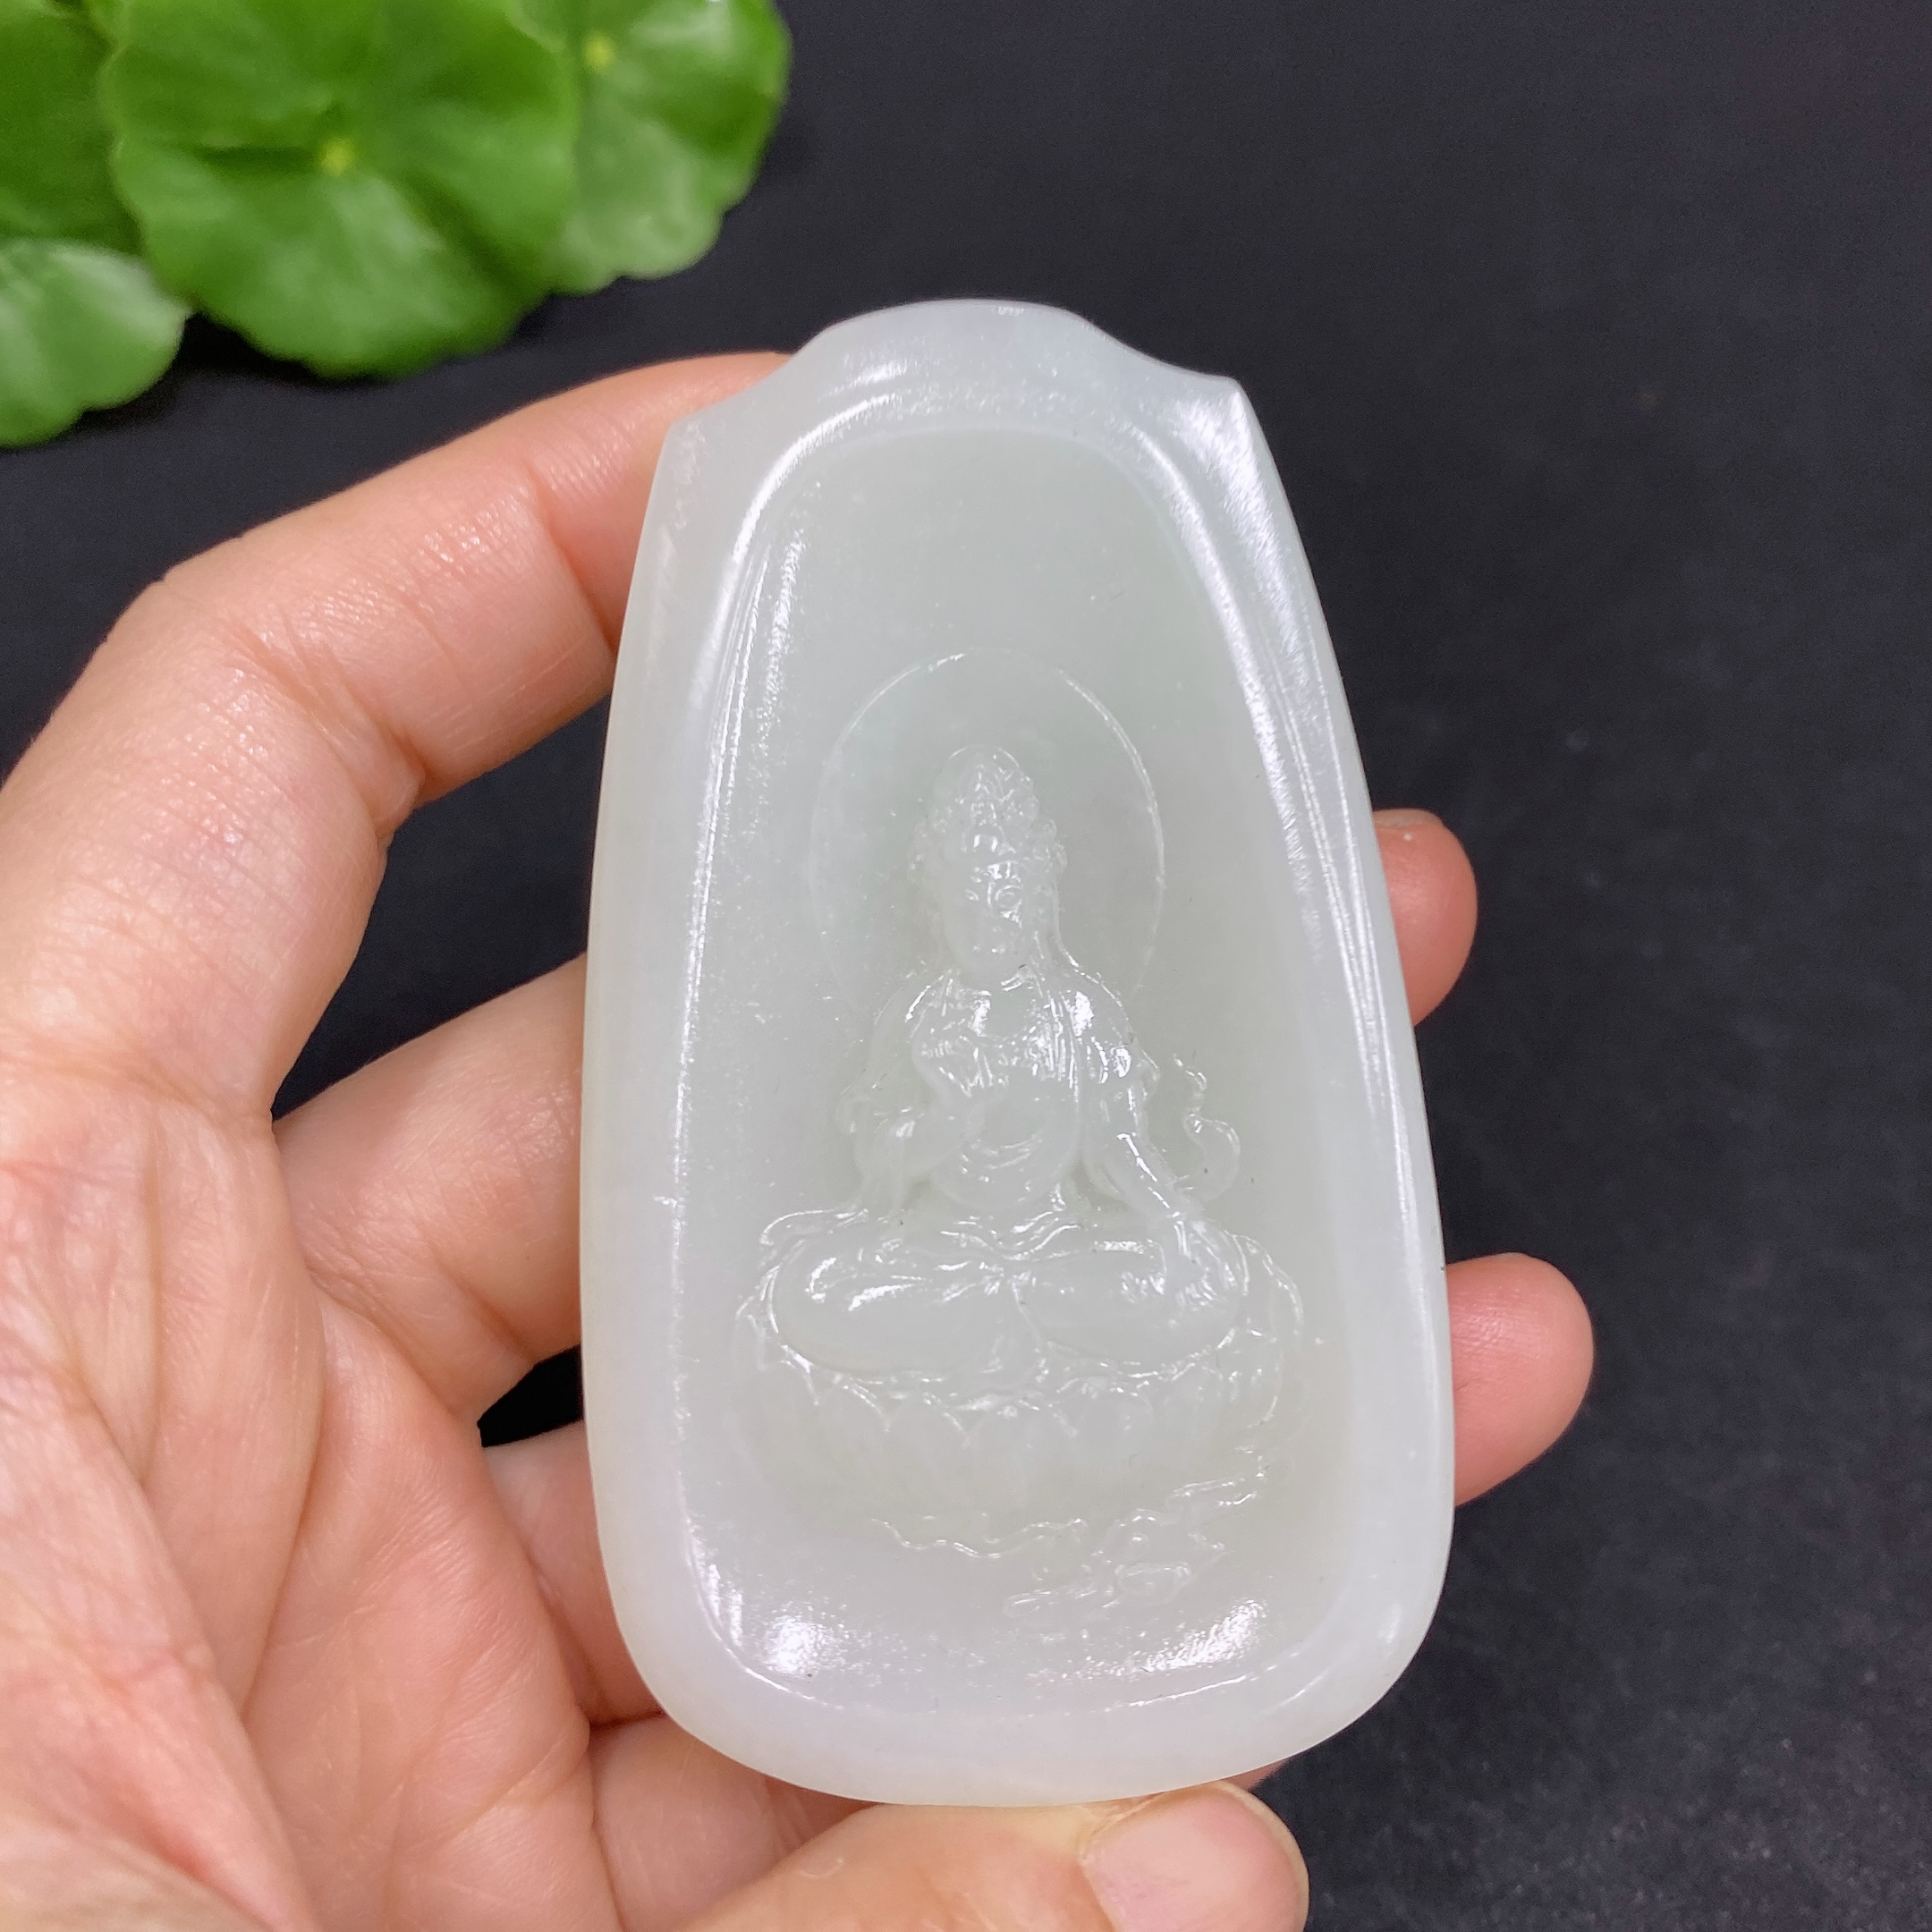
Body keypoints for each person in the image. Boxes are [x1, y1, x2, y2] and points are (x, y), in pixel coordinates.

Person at [0, 354, 1594, 1932]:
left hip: (1069, 1275)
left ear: (1046, 886)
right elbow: (887, 1172)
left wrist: (1181, 1245)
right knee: (814, 1303)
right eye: (964, 885)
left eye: (1011, 882)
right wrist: (924, 1155)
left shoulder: (1076, 1012)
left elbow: (1132, 1169)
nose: (990, 905)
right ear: (928, 896)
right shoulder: (925, 1020)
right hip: (943, 1277)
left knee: (1208, 1298)